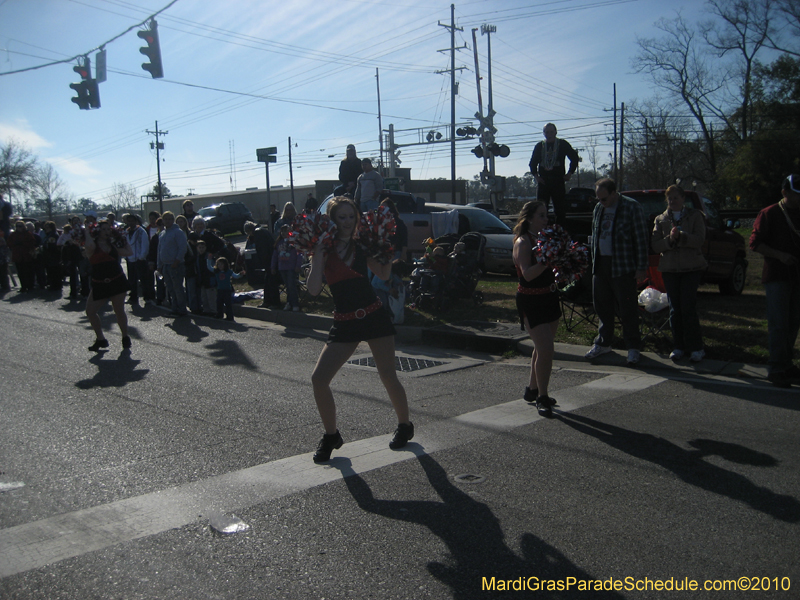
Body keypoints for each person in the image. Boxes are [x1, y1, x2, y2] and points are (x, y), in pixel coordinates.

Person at [306, 196, 413, 463]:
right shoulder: (325, 249)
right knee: (319, 379)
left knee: (388, 374)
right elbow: (313, 290)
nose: (346, 222)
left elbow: (384, 275)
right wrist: (317, 255)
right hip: (344, 321)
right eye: (341, 217)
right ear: (332, 220)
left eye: (351, 216)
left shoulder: (362, 244)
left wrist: (384, 249)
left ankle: (404, 425)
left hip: (373, 315)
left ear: (357, 219)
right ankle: (331, 435)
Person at [585, 177, 649, 365]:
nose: (601, 202)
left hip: (622, 264)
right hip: (601, 264)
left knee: (627, 307)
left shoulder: (631, 207)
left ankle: (633, 347)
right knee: (602, 306)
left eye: (604, 198)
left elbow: (641, 238)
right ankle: (604, 342)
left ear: (614, 193)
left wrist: (641, 267)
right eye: (598, 199)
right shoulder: (599, 208)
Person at [512, 201, 562, 417]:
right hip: (531, 299)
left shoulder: (545, 239)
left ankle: (532, 390)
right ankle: (542, 396)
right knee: (546, 348)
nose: (546, 219)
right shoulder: (523, 241)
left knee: (542, 347)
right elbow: (527, 274)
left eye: (546, 215)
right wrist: (547, 261)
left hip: (549, 296)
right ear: (530, 218)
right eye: (541, 215)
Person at [750, 175, 800, 387]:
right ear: (784, 192)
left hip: (797, 275)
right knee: (779, 323)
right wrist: (779, 255)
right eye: (797, 193)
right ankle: (776, 367)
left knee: (793, 323)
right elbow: (755, 243)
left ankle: (787, 363)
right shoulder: (769, 213)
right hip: (777, 275)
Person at [651, 185, 707, 363]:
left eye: (676, 197)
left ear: (683, 199)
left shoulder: (695, 216)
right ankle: (678, 346)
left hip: (691, 268)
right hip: (670, 269)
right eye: (670, 198)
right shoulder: (661, 219)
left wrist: (682, 236)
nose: (673, 201)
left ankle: (696, 347)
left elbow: (700, 239)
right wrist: (669, 239)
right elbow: (655, 245)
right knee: (675, 309)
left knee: (688, 307)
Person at [84, 219, 133, 351]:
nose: (107, 231)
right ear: (97, 231)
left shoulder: (113, 245)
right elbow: (89, 246)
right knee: (90, 311)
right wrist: (87, 231)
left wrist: (122, 238)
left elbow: (129, 252)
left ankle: (125, 337)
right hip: (100, 282)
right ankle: (100, 339)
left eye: (108, 229)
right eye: (103, 229)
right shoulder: (93, 245)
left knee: (119, 310)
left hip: (117, 280)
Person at [528, 123, 580, 226]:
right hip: (544, 181)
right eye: (547, 132)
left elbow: (574, 158)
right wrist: (536, 177)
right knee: (541, 209)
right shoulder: (540, 146)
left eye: (551, 132)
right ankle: (541, 231)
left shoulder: (562, 144)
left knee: (560, 210)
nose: (549, 134)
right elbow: (532, 163)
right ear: (544, 133)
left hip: (558, 180)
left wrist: (570, 173)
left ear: (555, 132)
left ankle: (559, 231)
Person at [157, 211, 188, 316]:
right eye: (165, 219)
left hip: (176, 265)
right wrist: (159, 265)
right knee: (170, 289)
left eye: (170, 219)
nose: (168, 221)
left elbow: (182, 248)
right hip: (165, 265)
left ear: (173, 220)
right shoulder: (162, 233)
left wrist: (177, 261)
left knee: (178, 288)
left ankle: (182, 309)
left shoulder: (178, 232)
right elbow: (159, 250)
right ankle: (174, 308)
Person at [271, 224, 302, 311]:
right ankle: (289, 302)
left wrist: (298, 265)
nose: (285, 233)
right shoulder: (278, 243)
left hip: (291, 267)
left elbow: (299, 254)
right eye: (283, 231)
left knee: (292, 286)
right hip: (282, 267)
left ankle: (295, 303)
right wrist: (273, 267)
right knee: (288, 286)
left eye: (287, 231)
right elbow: (275, 256)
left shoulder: (294, 242)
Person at [125, 214, 150, 306]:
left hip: (139, 259)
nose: (131, 223)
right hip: (130, 258)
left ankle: (147, 297)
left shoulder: (141, 231)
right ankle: (133, 296)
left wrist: (141, 257)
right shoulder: (126, 232)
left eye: (132, 221)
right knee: (132, 279)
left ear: (136, 221)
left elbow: (145, 244)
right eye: (129, 221)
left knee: (143, 279)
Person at [7, 220, 37, 293]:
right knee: (20, 272)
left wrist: (23, 243)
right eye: (17, 226)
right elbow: (9, 243)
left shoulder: (27, 234)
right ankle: (23, 286)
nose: (18, 228)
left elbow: (32, 242)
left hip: (26, 255)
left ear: (23, 227)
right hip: (17, 256)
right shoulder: (13, 234)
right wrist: (15, 244)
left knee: (28, 271)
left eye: (20, 226)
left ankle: (30, 286)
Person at [210, 255, 243, 321]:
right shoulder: (217, 271)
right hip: (219, 289)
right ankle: (219, 314)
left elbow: (236, 276)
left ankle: (229, 316)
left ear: (225, 265)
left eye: (221, 264)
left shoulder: (228, 271)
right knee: (219, 303)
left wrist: (240, 274)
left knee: (228, 304)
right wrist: (208, 260)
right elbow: (209, 267)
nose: (220, 266)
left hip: (227, 290)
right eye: (218, 264)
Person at [58, 223, 83, 299]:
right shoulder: (66, 238)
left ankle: (82, 292)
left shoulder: (79, 234)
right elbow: (59, 243)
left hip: (78, 255)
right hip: (71, 256)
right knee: (73, 275)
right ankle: (74, 292)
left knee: (81, 274)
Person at [381, 197, 408, 261]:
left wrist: (404, 253)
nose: (382, 209)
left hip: (396, 252)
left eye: (384, 207)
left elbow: (404, 239)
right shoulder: (379, 222)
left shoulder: (398, 222)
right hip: (382, 252)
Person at [195, 240, 217, 315]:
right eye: (199, 247)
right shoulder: (198, 257)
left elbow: (213, 268)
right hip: (202, 280)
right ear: (197, 248)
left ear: (205, 248)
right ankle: (206, 310)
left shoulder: (209, 256)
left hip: (209, 279)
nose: (201, 249)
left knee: (211, 297)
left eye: (203, 247)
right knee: (204, 297)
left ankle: (214, 311)